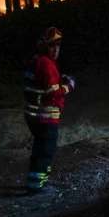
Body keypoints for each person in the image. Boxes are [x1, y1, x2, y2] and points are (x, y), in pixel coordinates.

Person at [23, 26, 75, 193]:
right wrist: (69, 86)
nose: (56, 49)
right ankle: (37, 187)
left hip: (34, 116)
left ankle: (39, 181)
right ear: (44, 46)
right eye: (52, 45)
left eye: (58, 45)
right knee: (45, 150)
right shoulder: (46, 64)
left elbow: (42, 84)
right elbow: (53, 92)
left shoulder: (36, 61)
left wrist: (60, 79)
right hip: (45, 116)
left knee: (40, 149)